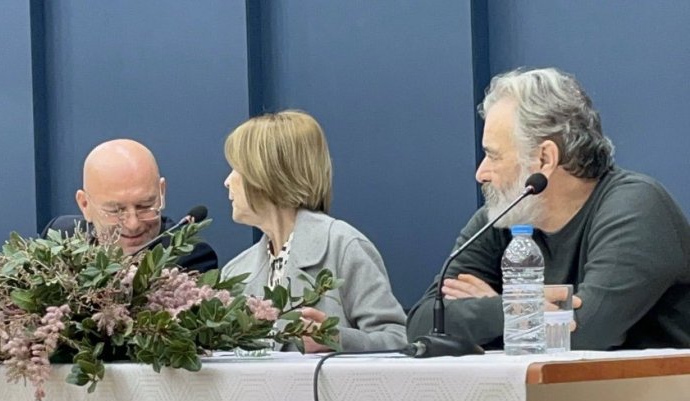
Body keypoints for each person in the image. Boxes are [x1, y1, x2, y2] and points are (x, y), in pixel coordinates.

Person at [406, 67, 690, 350]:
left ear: (544, 159)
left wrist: (493, 313)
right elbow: (423, 324)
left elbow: (582, 335)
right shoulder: (502, 218)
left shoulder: (636, 207)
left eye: (493, 155)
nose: (481, 173)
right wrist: (504, 310)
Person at [221, 110, 407, 353]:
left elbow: (398, 340)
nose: (227, 181)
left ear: (266, 173)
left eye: (236, 168)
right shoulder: (235, 271)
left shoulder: (343, 246)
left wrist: (337, 339)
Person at [41, 139, 218, 272]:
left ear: (161, 193)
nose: (133, 224)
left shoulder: (189, 257)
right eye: (115, 210)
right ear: (85, 204)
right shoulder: (60, 236)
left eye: (144, 206)